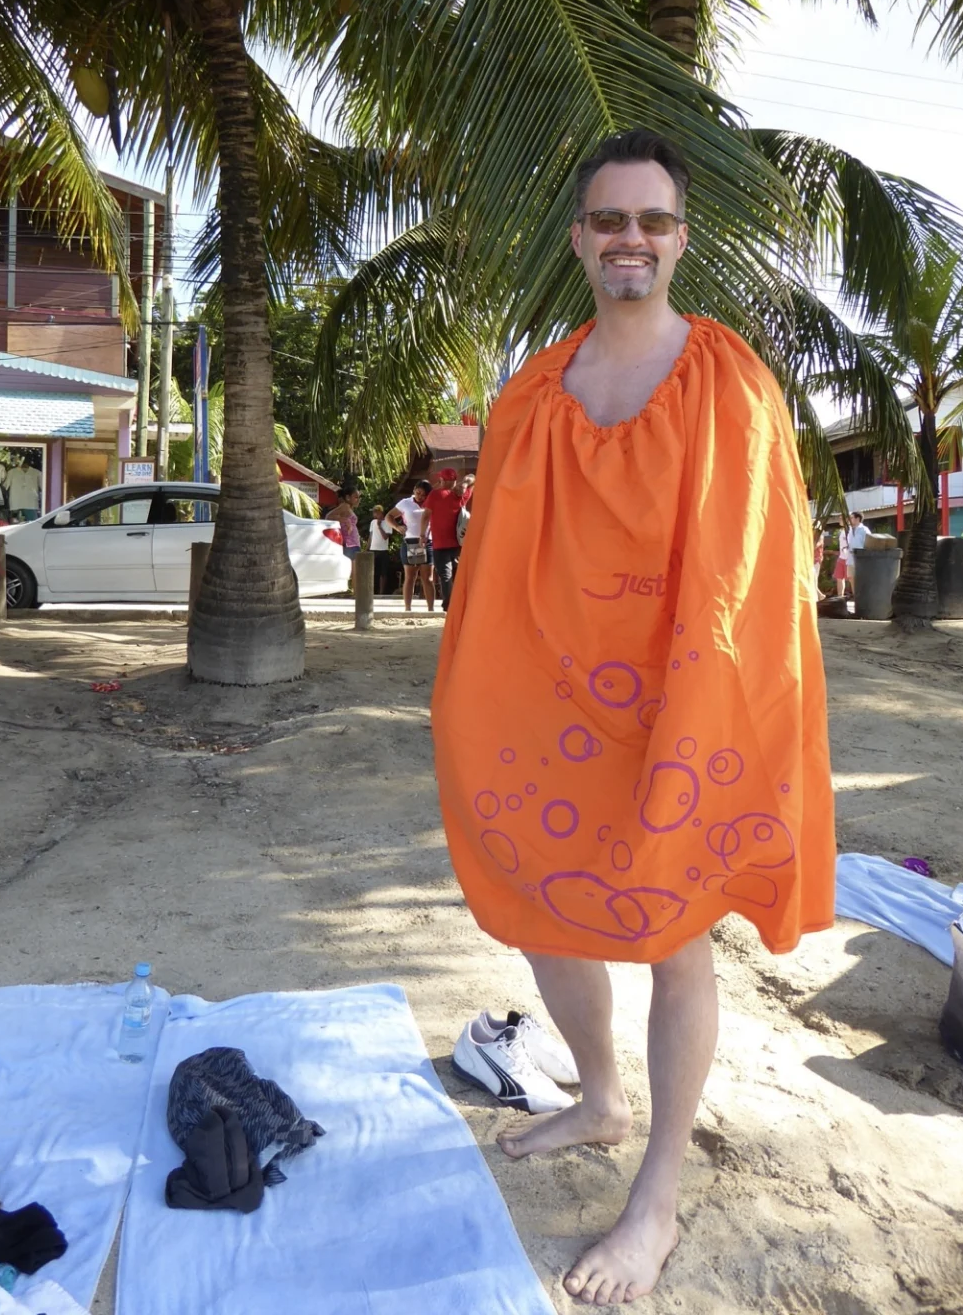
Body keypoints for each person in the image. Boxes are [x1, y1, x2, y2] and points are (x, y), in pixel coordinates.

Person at [431, 129, 834, 1306]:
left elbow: (758, 578)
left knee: (671, 933)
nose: (631, 239)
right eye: (610, 220)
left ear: (680, 240)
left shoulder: (731, 383)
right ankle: (601, 1097)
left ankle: (656, 1195)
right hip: (551, 709)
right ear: (579, 239)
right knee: (541, 909)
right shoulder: (532, 393)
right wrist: (471, 703)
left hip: (682, 709)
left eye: (653, 221)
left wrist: (709, 725)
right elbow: (496, 575)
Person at [420, 469, 465, 612]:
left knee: (446, 576)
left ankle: (449, 606)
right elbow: (472, 477)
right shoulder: (462, 494)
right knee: (457, 575)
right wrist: (465, 484)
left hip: (440, 544)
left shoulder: (436, 494)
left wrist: (422, 535)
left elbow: (426, 516)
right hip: (459, 543)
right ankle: (458, 604)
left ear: (443, 480)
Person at [387, 480, 435, 612]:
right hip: (410, 541)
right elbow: (389, 516)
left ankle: (431, 609)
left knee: (428, 578)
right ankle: (408, 608)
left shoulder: (431, 503)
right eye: (418, 493)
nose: (420, 497)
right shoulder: (405, 503)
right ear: (414, 490)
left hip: (427, 541)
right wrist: (397, 527)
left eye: (423, 495)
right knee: (410, 576)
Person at [327, 485, 362, 592]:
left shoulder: (349, 508)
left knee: (355, 571)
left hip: (353, 543)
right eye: (356, 497)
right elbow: (328, 516)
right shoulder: (345, 506)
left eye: (359, 497)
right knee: (354, 571)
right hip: (349, 544)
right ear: (347, 497)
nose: (358, 500)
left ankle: (354, 592)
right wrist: (345, 520)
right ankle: (355, 594)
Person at [368, 505, 394, 594]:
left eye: (376, 512)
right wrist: (367, 548)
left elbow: (385, 537)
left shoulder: (387, 522)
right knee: (373, 571)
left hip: (383, 550)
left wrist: (379, 526)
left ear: (381, 512)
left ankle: (381, 592)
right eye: (374, 512)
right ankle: (372, 591)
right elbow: (370, 537)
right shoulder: (373, 522)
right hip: (373, 550)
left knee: (383, 573)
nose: (374, 514)